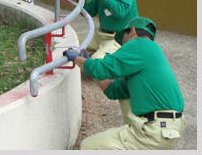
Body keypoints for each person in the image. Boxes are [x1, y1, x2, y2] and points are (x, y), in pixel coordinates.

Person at [63, 17, 185, 150]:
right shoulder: (149, 56)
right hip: (169, 130)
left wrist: (75, 58)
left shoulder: (139, 44)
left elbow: (100, 69)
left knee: (89, 146)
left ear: (132, 31)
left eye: (123, 39)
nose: (122, 45)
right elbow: (113, 90)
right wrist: (86, 62)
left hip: (154, 130)